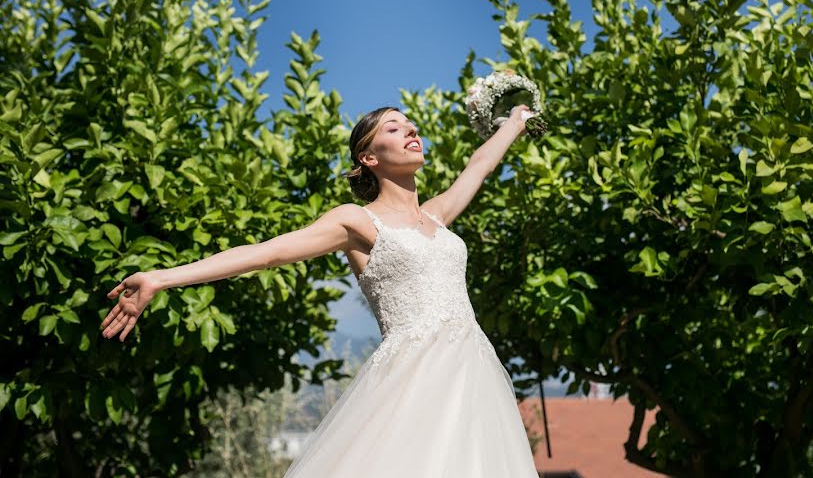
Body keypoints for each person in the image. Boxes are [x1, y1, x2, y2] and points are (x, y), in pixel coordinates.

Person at [101, 104, 540, 477]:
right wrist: (162, 278)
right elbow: (267, 253)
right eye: (394, 127)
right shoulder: (357, 220)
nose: (410, 130)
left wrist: (516, 119)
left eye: (411, 126)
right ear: (368, 157)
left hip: (472, 373)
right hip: (412, 381)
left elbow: (479, 165)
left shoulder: (438, 215)